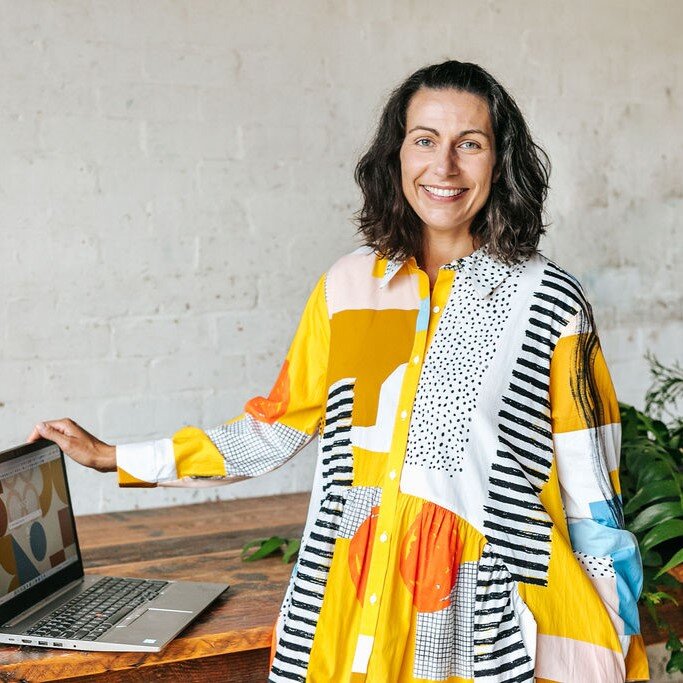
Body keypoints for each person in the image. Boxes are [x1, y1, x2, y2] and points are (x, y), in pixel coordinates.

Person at [29, 60, 649, 682]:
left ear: (501, 161)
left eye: (471, 144)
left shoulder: (550, 301)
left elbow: (593, 497)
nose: (445, 166)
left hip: (478, 629)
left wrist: (610, 642)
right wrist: (116, 456)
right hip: (346, 610)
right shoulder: (348, 286)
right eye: (425, 140)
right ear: (396, 154)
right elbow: (274, 429)